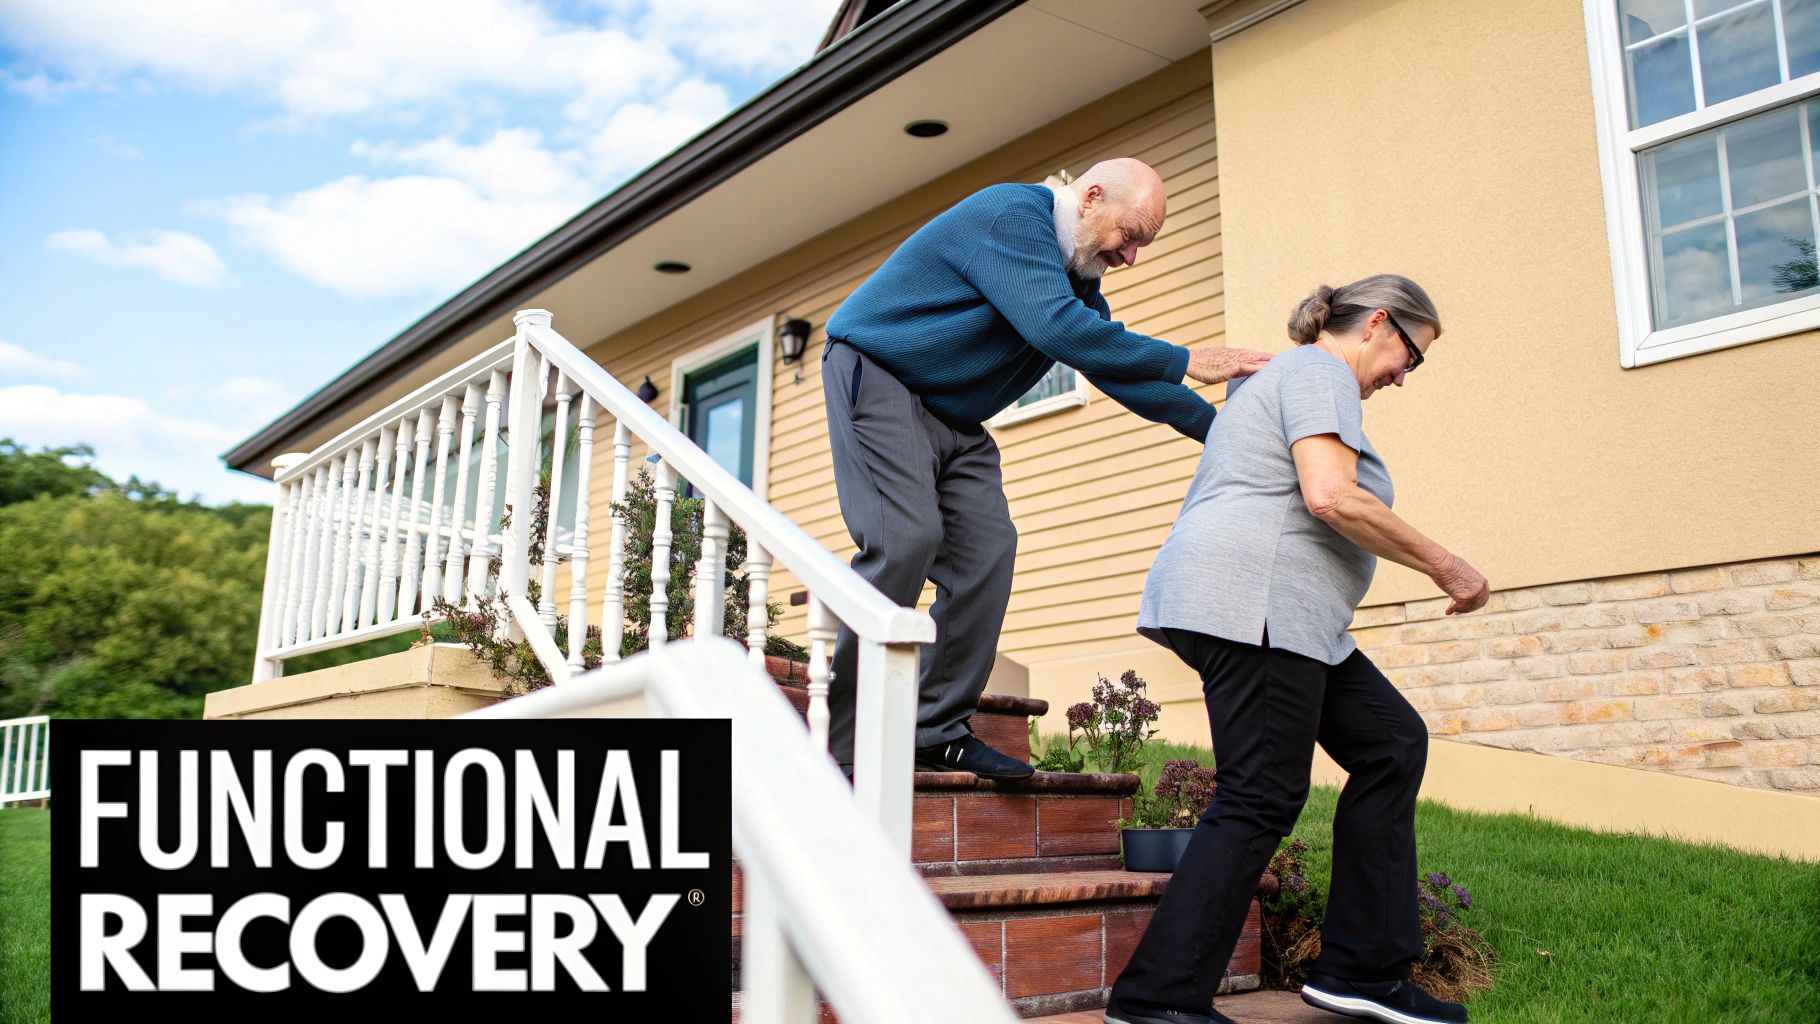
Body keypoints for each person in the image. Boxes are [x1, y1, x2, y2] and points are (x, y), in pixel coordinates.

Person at [1105, 275, 1488, 1024]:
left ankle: (1363, 972)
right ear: (1378, 322)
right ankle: (1157, 1001)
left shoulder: (1289, 379)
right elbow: (1332, 495)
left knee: (1391, 743)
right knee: (1261, 794)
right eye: (1411, 355)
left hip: (1291, 617)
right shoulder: (1317, 369)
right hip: (1257, 601)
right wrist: (1448, 564)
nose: (1404, 376)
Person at [820, 158, 1272, 780]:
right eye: (1131, 235)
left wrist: (1224, 435)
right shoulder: (1011, 216)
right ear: (1090, 198)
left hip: (956, 418)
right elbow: (1056, 330)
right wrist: (1190, 357)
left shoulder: (1075, 281)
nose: (1131, 257)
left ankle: (932, 730)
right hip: (882, 376)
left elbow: (1113, 368)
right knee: (905, 539)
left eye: (1143, 245)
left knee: (987, 550)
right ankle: (835, 739)